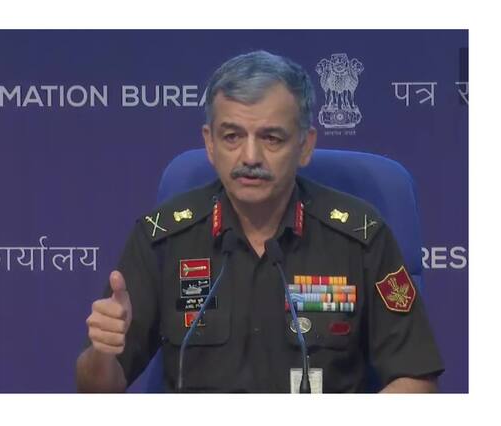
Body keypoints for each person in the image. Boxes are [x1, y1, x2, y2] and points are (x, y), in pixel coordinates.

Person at [75, 50, 444, 393]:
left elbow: (416, 377)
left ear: (305, 146)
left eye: (271, 138)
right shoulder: (163, 237)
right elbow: (97, 389)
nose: (250, 157)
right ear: (210, 144)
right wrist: (103, 352)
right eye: (232, 136)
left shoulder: (360, 236)